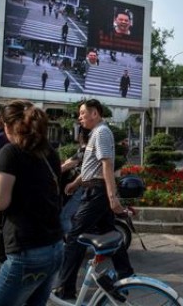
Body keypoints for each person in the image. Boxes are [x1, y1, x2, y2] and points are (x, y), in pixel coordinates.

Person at [0, 100, 63, 306]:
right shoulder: (49, 152)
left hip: (27, 251)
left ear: (6, 126)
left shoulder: (11, 152)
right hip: (55, 247)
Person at [54, 99, 134, 300]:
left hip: (97, 193)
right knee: (108, 231)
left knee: (74, 237)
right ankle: (127, 275)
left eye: (83, 113)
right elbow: (92, 165)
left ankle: (65, 288)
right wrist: (76, 183)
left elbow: (106, 165)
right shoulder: (95, 134)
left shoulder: (102, 132)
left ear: (95, 114)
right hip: (93, 189)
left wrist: (112, 197)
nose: (80, 117)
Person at [59, 127, 89, 236]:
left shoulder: (85, 150)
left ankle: (73, 242)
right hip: (81, 186)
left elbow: (68, 164)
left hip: (79, 187)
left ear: (81, 135)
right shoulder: (84, 149)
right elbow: (68, 162)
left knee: (64, 216)